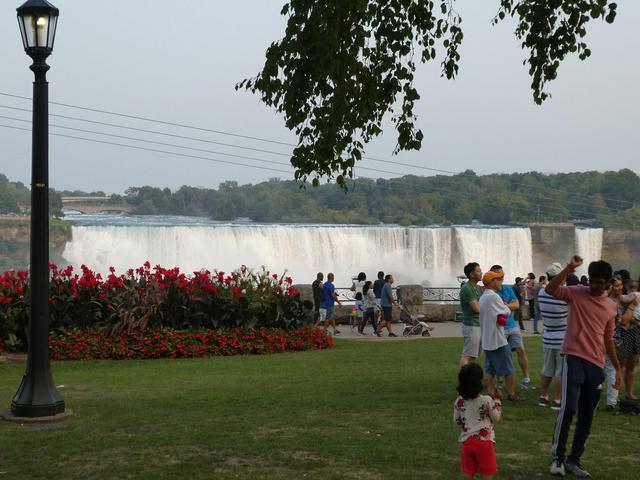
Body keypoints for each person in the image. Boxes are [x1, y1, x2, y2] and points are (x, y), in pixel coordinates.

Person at [547, 256, 621, 478]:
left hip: (595, 364)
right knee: (568, 408)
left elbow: (608, 339)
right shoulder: (576, 293)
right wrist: (569, 268)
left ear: (608, 283)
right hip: (573, 357)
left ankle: (574, 460)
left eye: (600, 282)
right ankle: (557, 458)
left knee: (587, 415)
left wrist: (616, 368)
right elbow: (551, 289)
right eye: (593, 281)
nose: (595, 286)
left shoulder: (611, 307)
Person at [454, 363, 502, 480]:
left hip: (467, 442)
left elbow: (456, 420)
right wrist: (497, 400)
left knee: (469, 472)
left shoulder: (459, 401)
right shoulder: (486, 400)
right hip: (484, 442)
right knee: (486, 473)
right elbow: (496, 417)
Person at [490, 265, 534, 392]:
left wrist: (503, 306)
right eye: (498, 275)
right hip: (499, 327)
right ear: (493, 276)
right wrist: (507, 306)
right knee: (501, 355)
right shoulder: (490, 292)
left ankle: (527, 379)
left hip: (512, 326)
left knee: (521, 350)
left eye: (502, 274)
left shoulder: (507, 289)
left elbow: (516, 304)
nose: (501, 277)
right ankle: (500, 380)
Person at [479, 270, 519, 401]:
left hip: (487, 339)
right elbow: (506, 311)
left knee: (491, 368)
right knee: (508, 367)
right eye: (497, 279)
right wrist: (507, 307)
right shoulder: (493, 296)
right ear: (491, 282)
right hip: (497, 339)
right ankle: (512, 394)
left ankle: (492, 391)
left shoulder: (483, 296)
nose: (500, 281)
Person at [537, 263, 570, 411]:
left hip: (548, 337)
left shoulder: (542, 293)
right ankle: (558, 399)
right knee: (560, 371)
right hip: (563, 338)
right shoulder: (564, 294)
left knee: (547, 369)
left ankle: (543, 397)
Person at [612, 277, 640, 401]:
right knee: (620, 364)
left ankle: (629, 392)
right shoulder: (622, 299)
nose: (633, 292)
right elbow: (623, 320)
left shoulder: (635, 300)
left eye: (636, 289)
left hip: (634, 333)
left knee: (632, 364)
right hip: (621, 335)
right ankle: (614, 394)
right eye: (631, 289)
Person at [460, 262, 483, 366]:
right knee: (468, 355)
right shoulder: (467, 288)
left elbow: (480, 305)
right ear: (471, 274)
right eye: (478, 271)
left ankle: (470, 378)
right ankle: (464, 379)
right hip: (471, 325)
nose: (481, 273)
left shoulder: (478, 288)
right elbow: (476, 308)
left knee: (473, 355)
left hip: (478, 324)